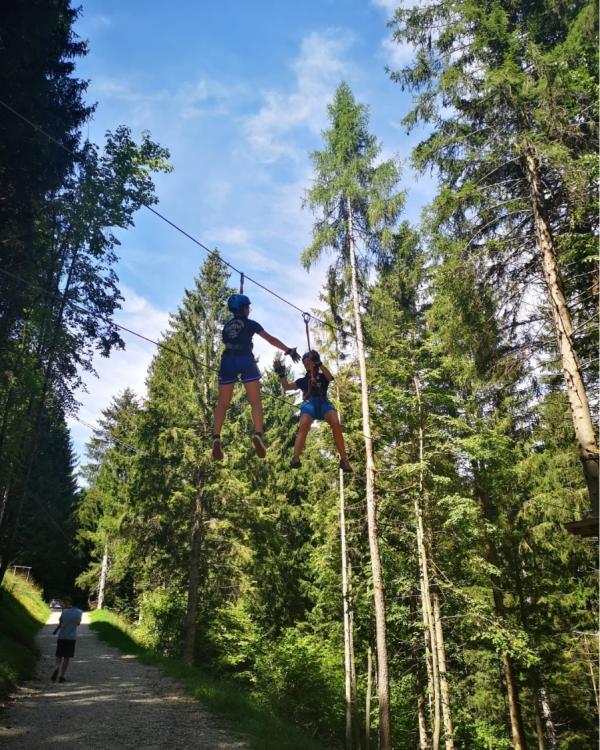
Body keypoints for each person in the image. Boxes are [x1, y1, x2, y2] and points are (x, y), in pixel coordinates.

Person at [212, 294, 300, 460]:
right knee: (255, 401)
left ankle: (216, 437)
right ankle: (258, 434)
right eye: (248, 307)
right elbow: (270, 339)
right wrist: (288, 350)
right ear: (244, 308)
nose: (249, 310)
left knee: (222, 403)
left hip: (228, 360)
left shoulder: (226, 327)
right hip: (245, 359)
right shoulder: (251, 324)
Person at [274, 349, 352, 472]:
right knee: (304, 424)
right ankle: (295, 457)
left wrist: (319, 363)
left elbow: (330, 377)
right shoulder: (303, 380)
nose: (306, 365)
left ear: (314, 362)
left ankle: (344, 459)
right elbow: (287, 387)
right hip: (309, 404)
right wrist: (282, 374)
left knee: (335, 422)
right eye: (305, 363)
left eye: (308, 362)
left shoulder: (322, 376)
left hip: (323, 403)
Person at [51, 597, 82, 683]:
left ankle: (57, 666)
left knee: (59, 655)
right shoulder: (79, 612)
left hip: (62, 636)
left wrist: (56, 630)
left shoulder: (64, 611)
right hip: (71, 638)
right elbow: (78, 623)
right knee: (66, 657)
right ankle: (62, 676)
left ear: (71, 603)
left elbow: (60, 622)